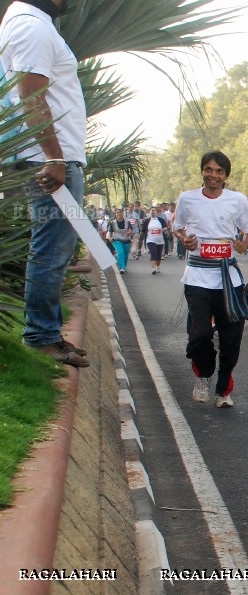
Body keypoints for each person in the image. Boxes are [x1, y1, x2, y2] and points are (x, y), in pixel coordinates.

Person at [1, 0, 89, 368]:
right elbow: (31, 95)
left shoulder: (32, 24)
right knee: (51, 249)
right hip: (49, 159)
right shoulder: (31, 27)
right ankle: (41, 336)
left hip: (53, 156)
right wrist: (54, 156)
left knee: (55, 249)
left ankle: (47, 332)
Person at [173, 151, 248, 408]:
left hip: (228, 281)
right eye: (209, 170)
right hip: (197, 277)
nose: (213, 175)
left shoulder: (237, 199)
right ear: (202, 171)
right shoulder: (187, 199)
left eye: (219, 171)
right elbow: (177, 226)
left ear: (226, 176)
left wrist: (244, 243)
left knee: (231, 339)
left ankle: (223, 390)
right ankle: (204, 376)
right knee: (199, 334)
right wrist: (183, 240)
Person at [107, 208, 132, 274]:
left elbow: (130, 229)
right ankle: (122, 267)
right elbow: (110, 231)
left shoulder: (127, 222)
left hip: (126, 239)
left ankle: (124, 266)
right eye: (117, 213)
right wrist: (110, 238)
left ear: (122, 213)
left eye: (120, 212)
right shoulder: (113, 223)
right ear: (115, 214)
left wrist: (129, 232)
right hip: (117, 239)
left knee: (126, 255)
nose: (119, 214)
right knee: (120, 252)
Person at [144, 206, 168, 274]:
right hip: (150, 239)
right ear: (149, 212)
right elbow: (143, 231)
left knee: (158, 254)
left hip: (160, 239)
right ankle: (153, 268)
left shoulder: (160, 220)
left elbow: (166, 227)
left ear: (157, 212)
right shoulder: (147, 221)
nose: (153, 212)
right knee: (153, 252)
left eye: (154, 211)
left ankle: (157, 266)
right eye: (151, 210)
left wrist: (163, 229)